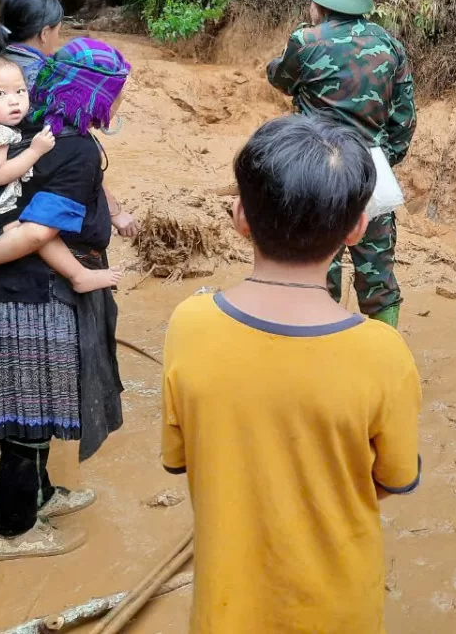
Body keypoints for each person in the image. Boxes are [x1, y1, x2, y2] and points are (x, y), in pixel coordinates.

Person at [161, 114, 421, 633]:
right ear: (357, 228)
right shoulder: (382, 353)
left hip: (225, 610)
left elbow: (184, 459)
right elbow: (394, 480)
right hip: (339, 609)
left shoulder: (189, 324)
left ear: (240, 216)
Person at [0, 39, 132, 561]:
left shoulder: (24, 121)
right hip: (23, 297)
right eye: (117, 93)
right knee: (24, 415)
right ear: (95, 94)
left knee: (28, 410)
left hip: (3, 289)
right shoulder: (70, 146)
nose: (120, 104)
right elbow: (35, 233)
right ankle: (13, 529)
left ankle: (40, 493)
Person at [267, 0, 416, 329]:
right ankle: (385, 359)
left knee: (316, 270)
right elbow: (404, 118)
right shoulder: (391, 46)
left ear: (321, 4)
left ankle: (318, 353)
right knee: (378, 274)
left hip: (315, 171)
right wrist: (382, 159)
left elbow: (280, 79)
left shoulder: (306, 41)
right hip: (370, 170)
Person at [0, 0, 140, 238]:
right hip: (32, 211)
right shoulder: (47, 82)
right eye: (57, 30)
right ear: (44, 33)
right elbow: (71, 151)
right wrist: (115, 211)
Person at [0, 53, 123, 293]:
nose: (14, 102)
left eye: (20, 92)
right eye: (0, 94)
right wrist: (35, 151)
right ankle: (78, 275)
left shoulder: (9, 124)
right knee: (35, 227)